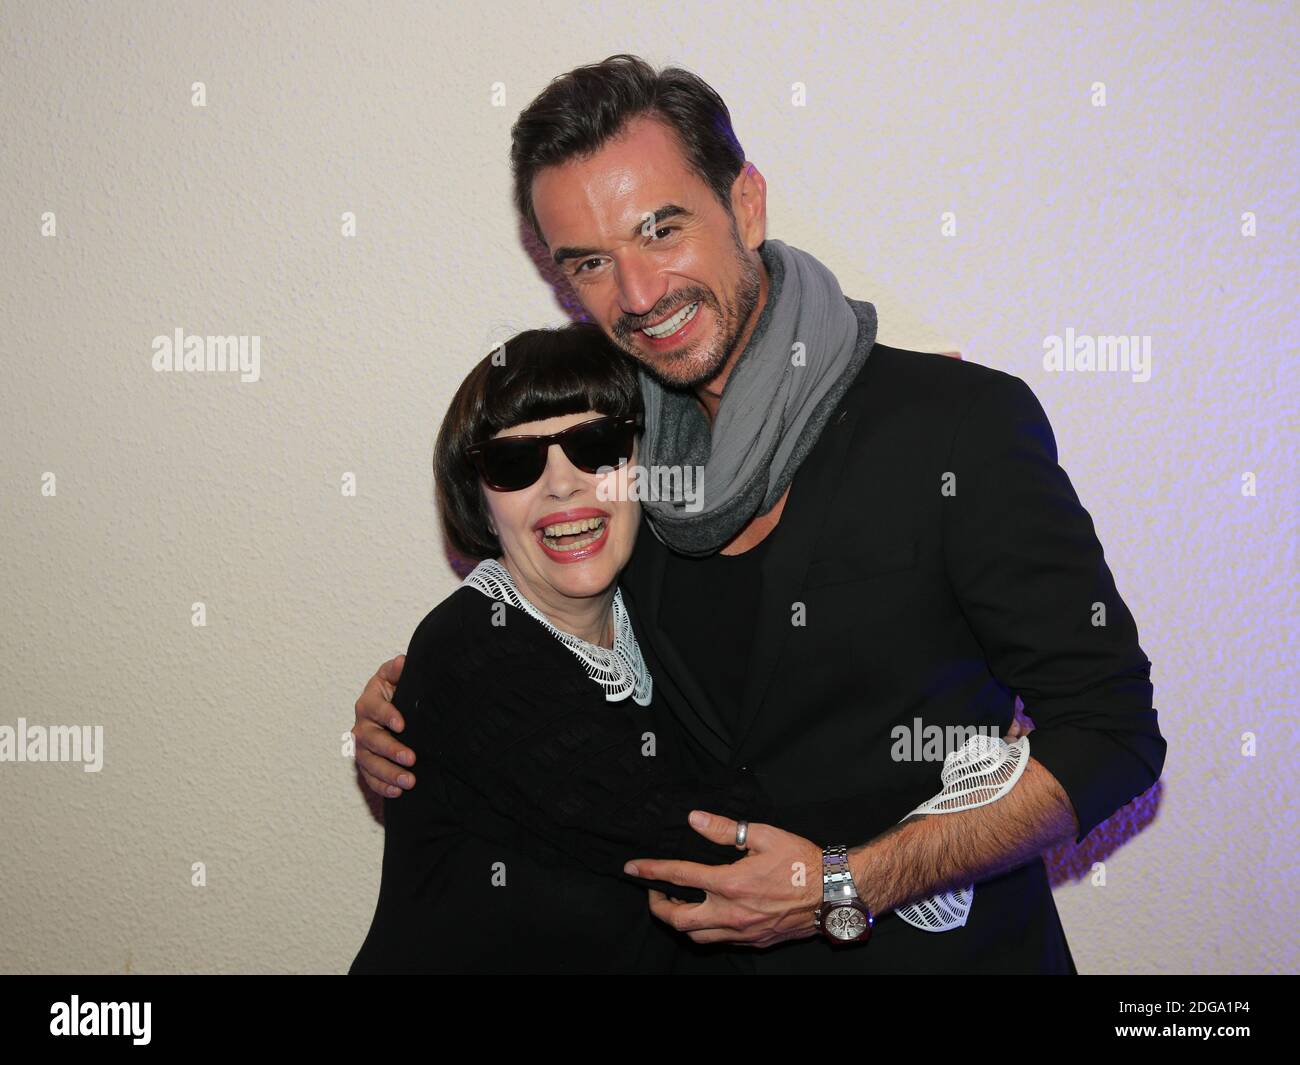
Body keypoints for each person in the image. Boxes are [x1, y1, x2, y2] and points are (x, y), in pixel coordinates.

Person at [353, 54, 1167, 973]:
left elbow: (1112, 732)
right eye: (590, 262)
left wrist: (849, 880)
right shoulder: (618, 462)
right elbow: (565, 655)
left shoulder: (954, 426)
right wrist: (419, 702)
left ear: (744, 205)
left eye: (661, 230)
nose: (640, 294)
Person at [349, 324, 771, 974]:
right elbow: (702, 844)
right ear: (482, 504)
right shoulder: (470, 652)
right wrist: (879, 864)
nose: (562, 484)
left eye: (596, 445)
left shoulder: (664, 621)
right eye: (514, 462)